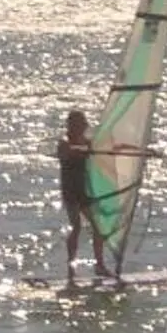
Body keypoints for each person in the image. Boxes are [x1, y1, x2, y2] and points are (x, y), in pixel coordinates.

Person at [57, 108, 108, 282]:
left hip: (84, 190)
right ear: (71, 126)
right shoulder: (64, 142)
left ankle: (99, 265)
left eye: (83, 125)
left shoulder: (87, 142)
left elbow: (107, 148)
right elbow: (67, 152)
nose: (83, 128)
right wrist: (84, 150)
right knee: (76, 226)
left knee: (98, 228)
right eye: (79, 125)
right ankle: (71, 267)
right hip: (70, 191)